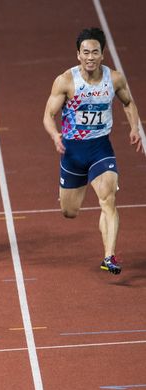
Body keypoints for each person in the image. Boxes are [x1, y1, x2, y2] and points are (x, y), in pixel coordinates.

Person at [43, 27, 143, 275]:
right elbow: (48, 115)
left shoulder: (114, 79)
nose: (90, 57)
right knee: (69, 212)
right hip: (73, 152)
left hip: (100, 148)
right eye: (85, 52)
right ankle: (75, 191)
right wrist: (55, 134)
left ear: (102, 54)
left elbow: (128, 102)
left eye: (95, 52)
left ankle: (109, 256)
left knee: (107, 199)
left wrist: (134, 128)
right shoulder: (66, 81)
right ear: (78, 54)